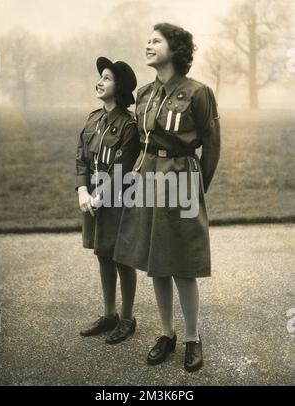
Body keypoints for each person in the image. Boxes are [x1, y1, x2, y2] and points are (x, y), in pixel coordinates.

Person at [114, 23, 220, 371]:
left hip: (181, 178)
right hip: (147, 177)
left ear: (175, 49)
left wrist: (196, 187)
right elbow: (137, 145)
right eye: (147, 40)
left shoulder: (198, 92)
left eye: (156, 41)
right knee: (156, 260)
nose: (148, 44)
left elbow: (212, 145)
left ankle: (192, 338)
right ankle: (166, 333)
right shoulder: (143, 94)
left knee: (183, 263)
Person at [75, 57, 140, 344]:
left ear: (121, 88)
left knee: (122, 257)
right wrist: (82, 191)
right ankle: (109, 314)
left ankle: (127, 319)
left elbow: (124, 168)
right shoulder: (93, 118)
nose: (100, 82)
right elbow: (81, 159)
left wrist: (101, 197)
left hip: (117, 199)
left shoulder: (128, 125)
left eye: (107, 78)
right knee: (102, 253)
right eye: (100, 77)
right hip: (92, 196)